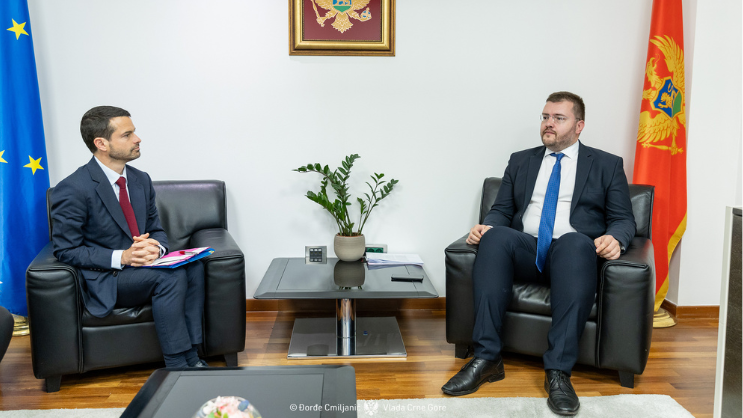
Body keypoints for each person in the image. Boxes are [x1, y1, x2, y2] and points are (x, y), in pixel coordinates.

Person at [441, 92, 635, 416]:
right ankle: (486, 358)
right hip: (528, 249)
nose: (549, 124)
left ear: (579, 126)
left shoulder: (606, 164)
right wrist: (487, 226)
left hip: (572, 256)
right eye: (545, 117)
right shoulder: (521, 160)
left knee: (575, 242)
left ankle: (558, 371)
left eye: (559, 118)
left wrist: (616, 238)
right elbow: (502, 210)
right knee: (496, 237)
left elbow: (623, 218)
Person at [50, 106, 208, 368]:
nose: (137, 139)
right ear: (101, 143)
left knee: (193, 268)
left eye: (134, 132)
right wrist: (123, 256)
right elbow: (65, 250)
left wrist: (156, 248)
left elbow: (155, 229)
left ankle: (192, 356)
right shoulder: (73, 188)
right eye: (127, 135)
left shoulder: (140, 180)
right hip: (107, 277)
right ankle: (177, 364)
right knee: (170, 277)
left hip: (143, 269)